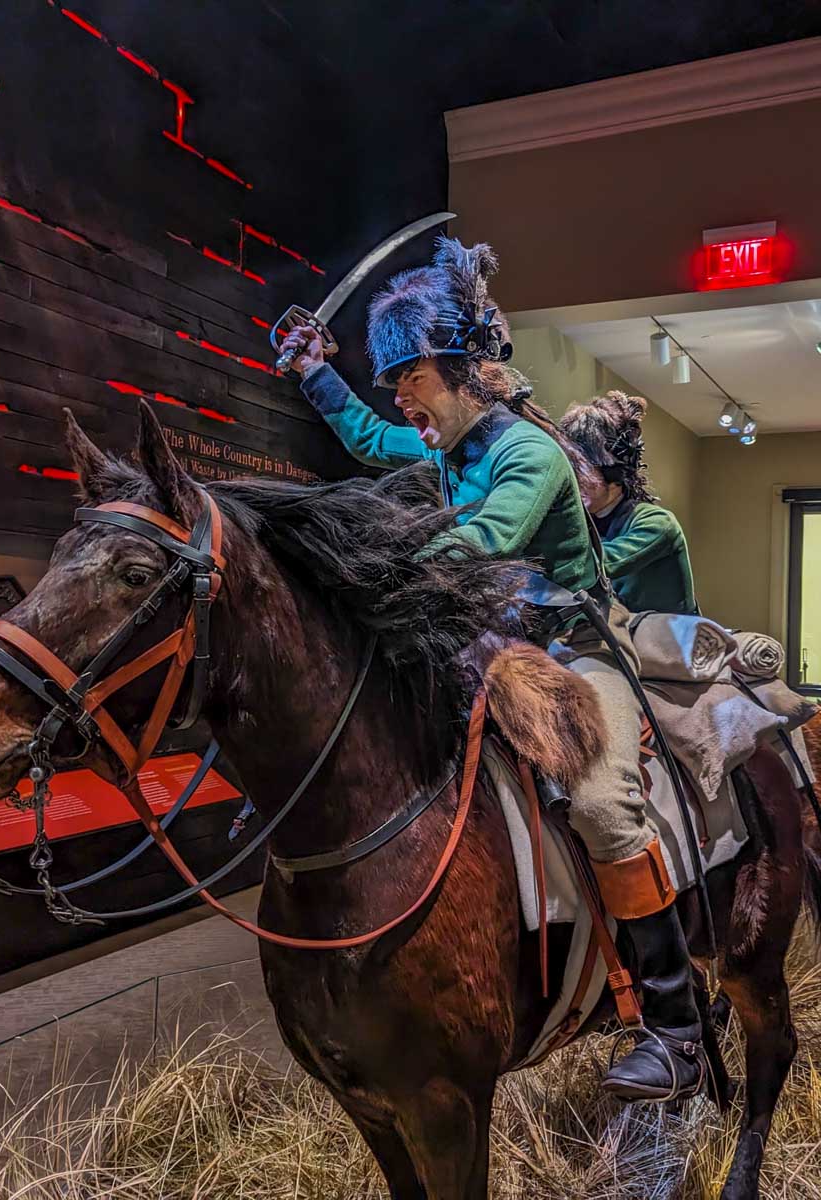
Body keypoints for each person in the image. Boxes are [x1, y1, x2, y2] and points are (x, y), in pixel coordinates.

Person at [279, 236, 704, 1102]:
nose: (400, 397)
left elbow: (483, 542)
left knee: (601, 806)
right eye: (394, 381)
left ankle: (675, 1029)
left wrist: (364, 560)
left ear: (464, 372)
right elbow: (368, 438)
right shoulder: (445, 448)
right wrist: (315, 371)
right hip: (490, 651)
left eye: (411, 378)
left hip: (577, 656)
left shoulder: (530, 454)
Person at [561, 392, 698, 615]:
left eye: (584, 473)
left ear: (614, 476)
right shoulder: (584, 522)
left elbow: (601, 564)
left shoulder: (658, 523)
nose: (576, 483)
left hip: (665, 634)